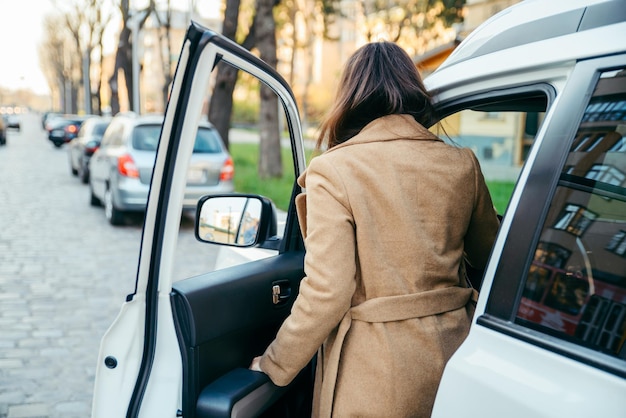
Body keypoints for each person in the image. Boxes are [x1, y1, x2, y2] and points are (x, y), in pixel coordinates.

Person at [249, 41, 500, 417]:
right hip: (456, 358)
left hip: (377, 373)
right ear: (412, 90)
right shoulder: (461, 164)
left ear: (350, 96)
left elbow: (327, 292)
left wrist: (274, 364)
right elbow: (491, 259)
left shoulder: (334, 170)